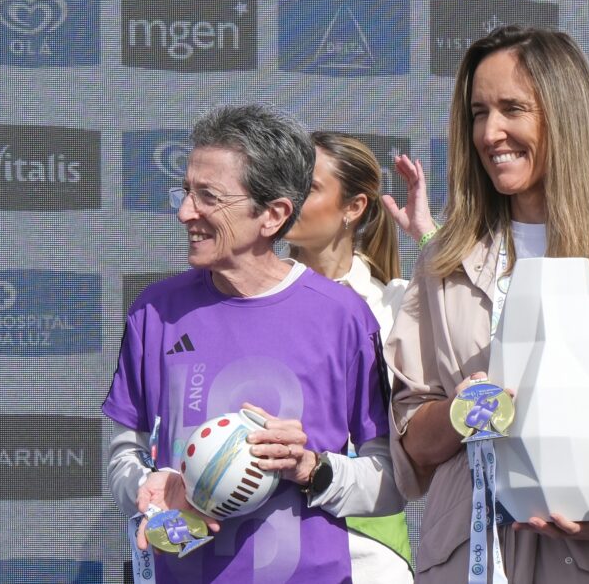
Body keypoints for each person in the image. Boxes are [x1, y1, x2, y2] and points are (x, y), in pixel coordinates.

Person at [386, 25, 589, 582]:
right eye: (479, 113)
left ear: (564, 116)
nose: (491, 132)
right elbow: (410, 437)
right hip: (469, 557)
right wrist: (464, 412)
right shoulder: (445, 258)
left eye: (512, 108)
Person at [102, 103, 404, 583]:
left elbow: (389, 481)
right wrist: (149, 485)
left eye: (208, 197)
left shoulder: (343, 316)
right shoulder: (154, 311)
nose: (185, 213)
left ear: (272, 215)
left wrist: (311, 469)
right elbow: (124, 454)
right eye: (185, 192)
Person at [284, 130, 424, 582]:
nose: (288, 198)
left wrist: (429, 238)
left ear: (354, 207)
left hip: (371, 548)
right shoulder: (247, 300)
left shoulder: (396, 304)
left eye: (307, 187)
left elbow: (487, 332)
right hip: (268, 538)